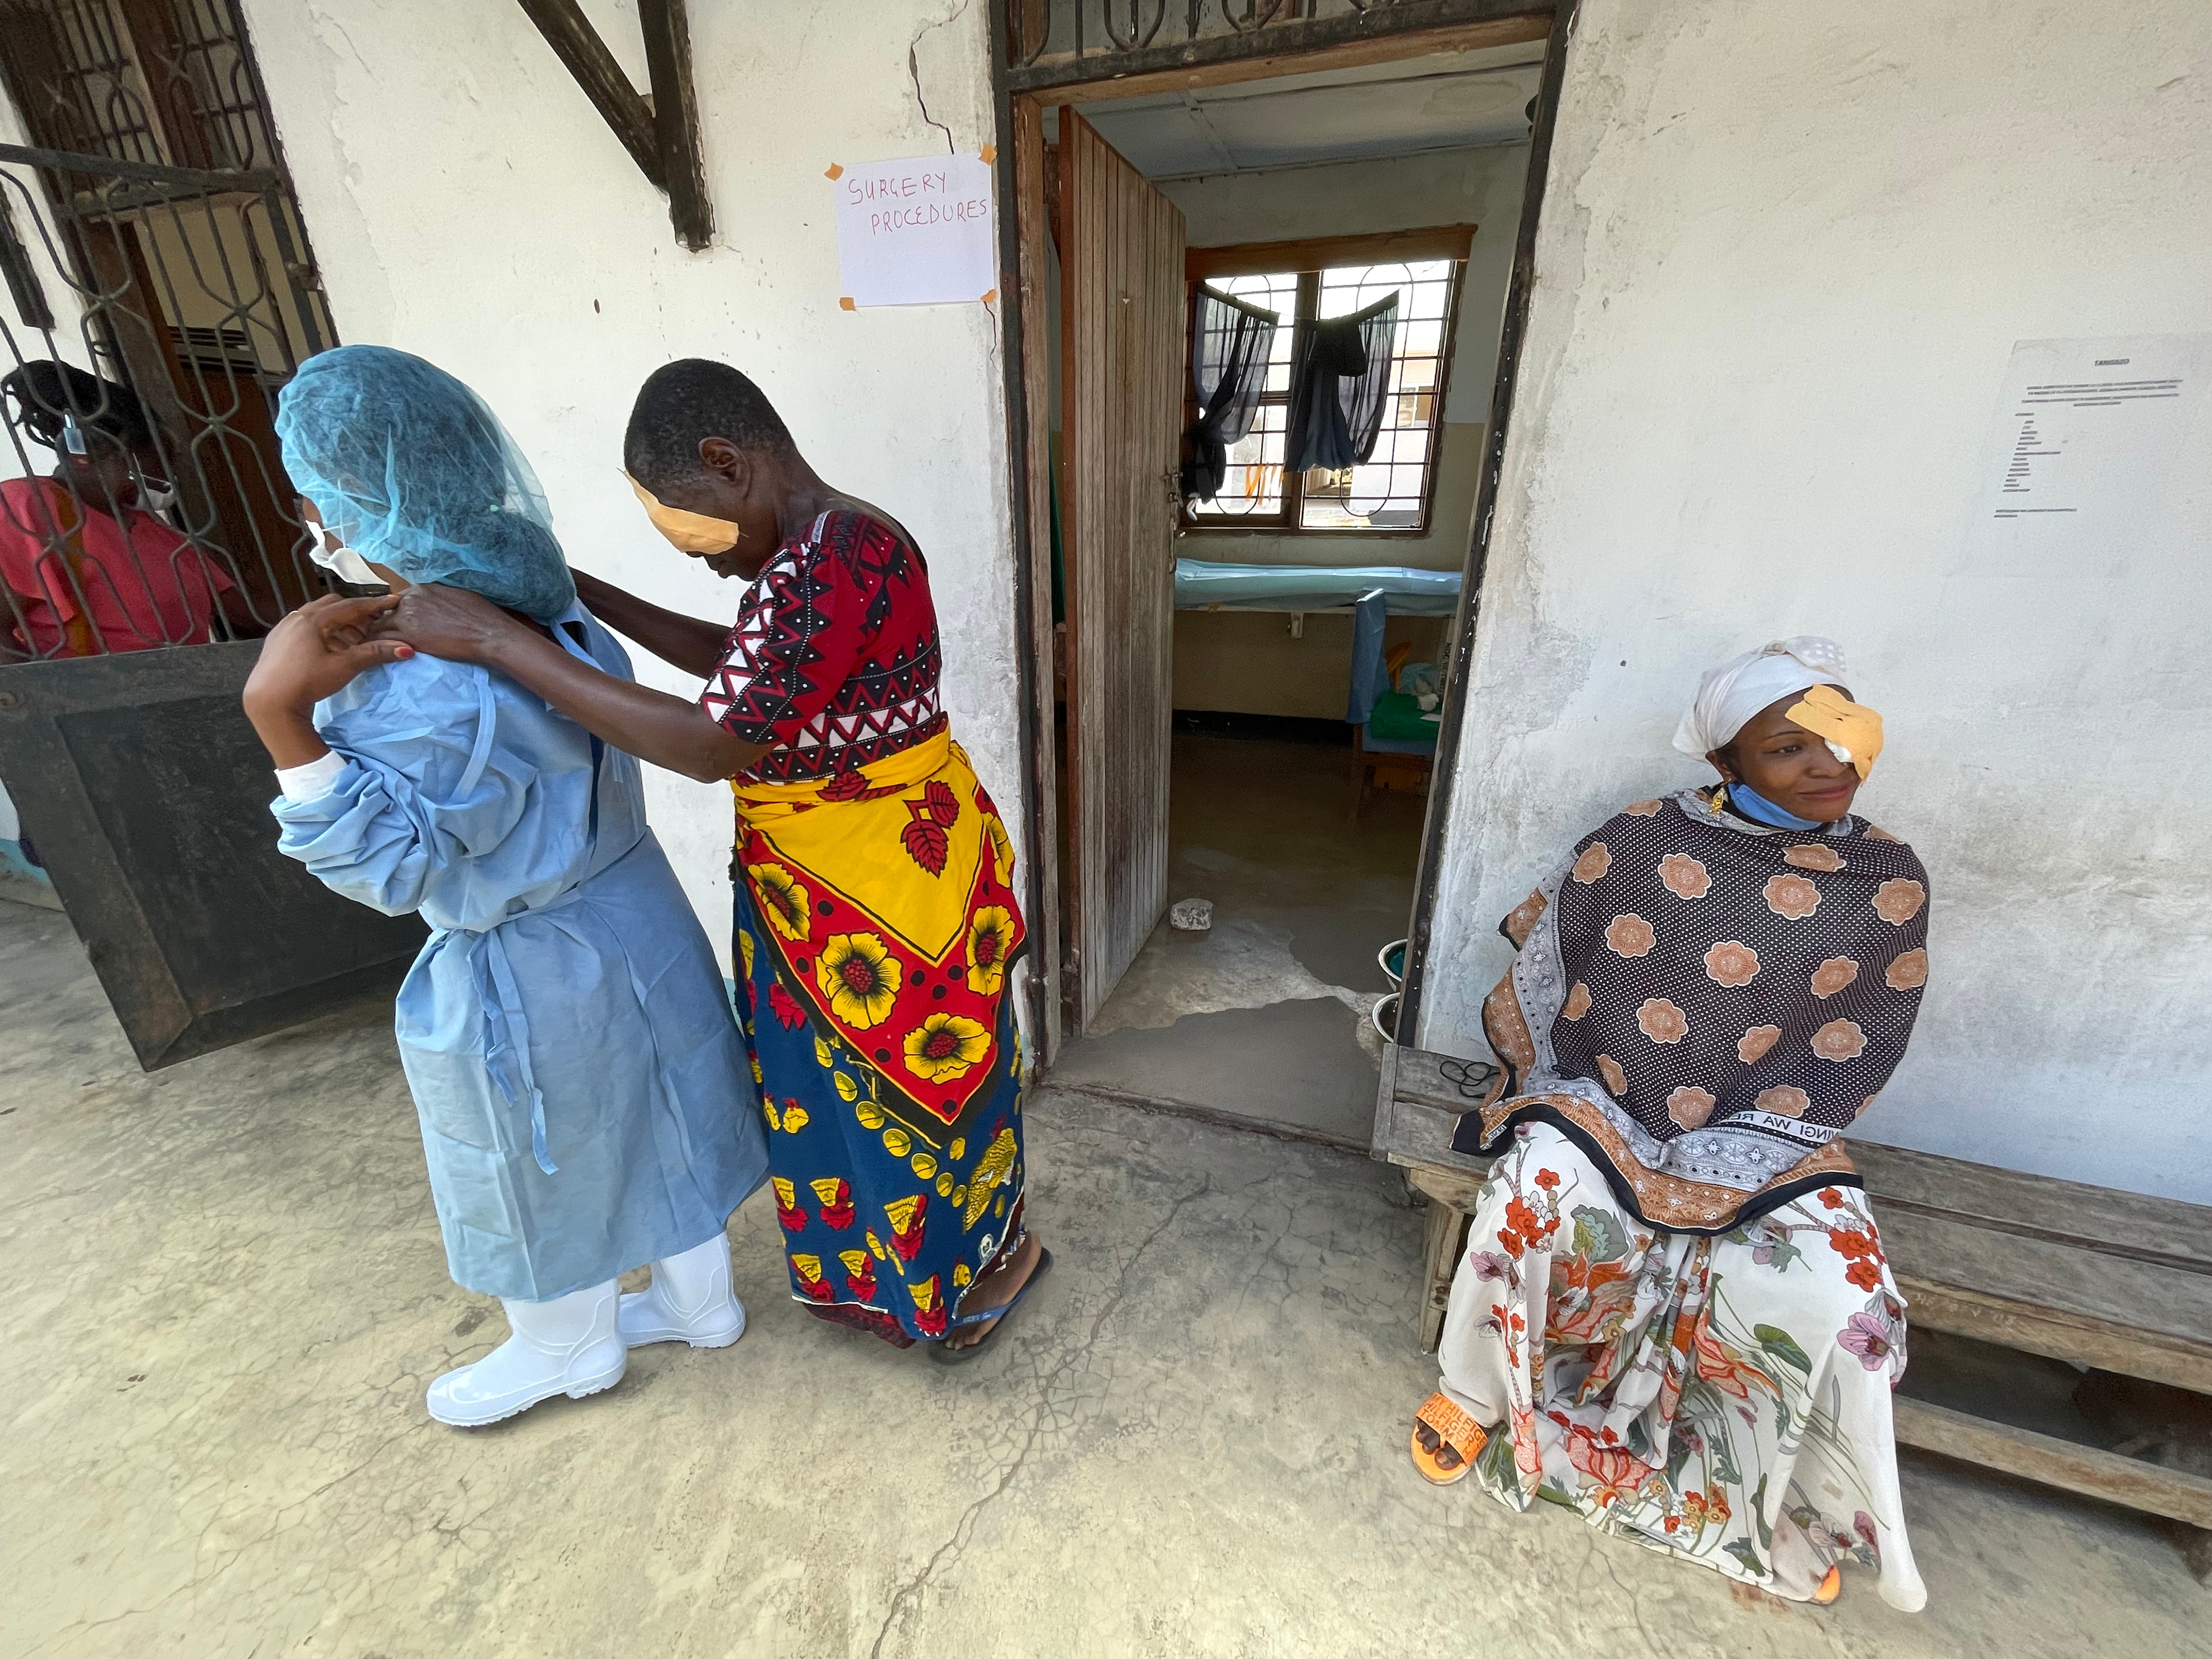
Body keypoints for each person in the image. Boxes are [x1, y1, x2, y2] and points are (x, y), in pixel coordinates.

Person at [376, 358, 1048, 1359]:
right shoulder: (838, 538)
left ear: (728, 463)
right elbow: (745, 661)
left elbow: (710, 743)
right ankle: (973, 1252)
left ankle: (942, 1290)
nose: (703, 561)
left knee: (898, 1088)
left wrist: (499, 643)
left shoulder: (823, 566)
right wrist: (573, 596)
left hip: (867, 888)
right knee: (917, 1078)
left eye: (694, 531)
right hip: (888, 862)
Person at [241, 344, 770, 1426]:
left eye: (311, 490)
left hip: (532, 956)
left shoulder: (411, 685)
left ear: (343, 502)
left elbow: (392, 867)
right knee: (664, 1100)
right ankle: (699, 1302)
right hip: (633, 908)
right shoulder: (542, 601)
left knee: (543, 1151)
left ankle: (567, 1348)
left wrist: (283, 720)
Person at [1409, 637, 1931, 1613]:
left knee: (1850, 1293)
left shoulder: (1889, 878)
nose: (1828, 765)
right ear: (1726, 762)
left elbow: (1865, 1032)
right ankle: (1480, 1392)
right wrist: (1603, 1091)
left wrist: (1748, 1132)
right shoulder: (1644, 837)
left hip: (1769, 1128)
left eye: (1842, 739)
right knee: (1530, 1201)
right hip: (1605, 1096)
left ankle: (1787, 1495)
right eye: (1789, 749)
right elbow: (1556, 954)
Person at [1, 359, 260, 658]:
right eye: (162, 458)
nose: (169, 473)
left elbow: (247, 616)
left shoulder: (159, 534)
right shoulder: (28, 506)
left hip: (183, 695)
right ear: (109, 454)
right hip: (88, 699)